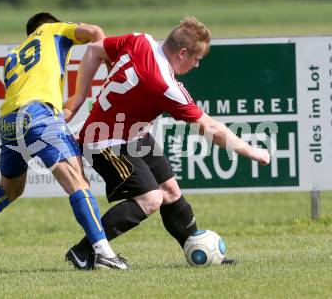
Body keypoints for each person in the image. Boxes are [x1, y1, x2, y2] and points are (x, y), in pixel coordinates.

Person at [63, 16, 271, 269]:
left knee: (170, 190)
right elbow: (211, 128)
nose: (196, 65)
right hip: (103, 141)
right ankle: (84, 252)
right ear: (183, 53)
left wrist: (80, 95)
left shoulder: (141, 41)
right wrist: (252, 151)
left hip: (132, 134)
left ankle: (198, 249)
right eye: (196, 59)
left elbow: (95, 49)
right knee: (150, 199)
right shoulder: (164, 85)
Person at [0, 12, 128, 272]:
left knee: (10, 189)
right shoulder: (53, 30)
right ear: (50, 23)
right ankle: (103, 254)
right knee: (77, 181)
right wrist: (112, 72)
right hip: (39, 114)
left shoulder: (12, 56)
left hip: (9, 120)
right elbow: (96, 33)